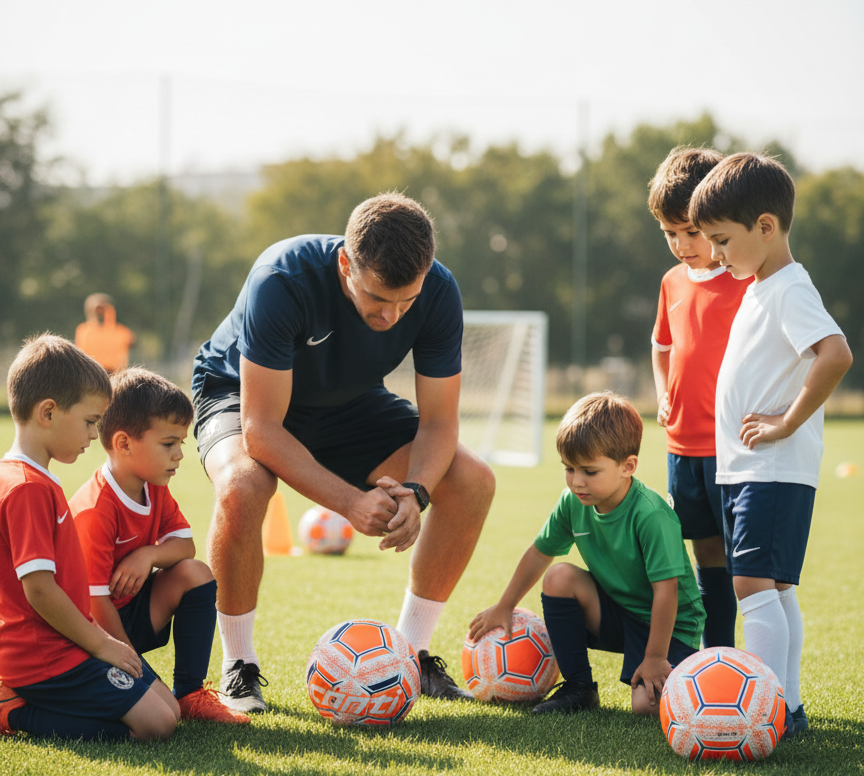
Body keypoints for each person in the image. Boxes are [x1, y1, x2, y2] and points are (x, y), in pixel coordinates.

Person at [192, 192, 495, 712]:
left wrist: (416, 493)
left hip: (346, 403)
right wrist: (351, 504)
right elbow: (262, 430)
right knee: (245, 485)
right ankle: (239, 666)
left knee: (470, 481)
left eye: (407, 301)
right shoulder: (281, 280)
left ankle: (412, 654)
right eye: (379, 298)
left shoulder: (439, 291)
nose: (394, 314)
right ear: (344, 264)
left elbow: (440, 421)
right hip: (239, 394)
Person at [690, 153, 853, 737]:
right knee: (775, 587)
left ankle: (761, 710)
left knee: (751, 587)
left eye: (722, 240)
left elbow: (835, 354)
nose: (715, 254)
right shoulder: (759, 285)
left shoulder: (788, 287)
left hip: (774, 467)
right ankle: (787, 707)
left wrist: (785, 421)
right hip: (748, 469)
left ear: (766, 225)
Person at [468, 392, 705, 715]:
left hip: (670, 624)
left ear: (628, 466)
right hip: (620, 612)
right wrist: (505, 605)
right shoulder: (572, 502)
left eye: (589, 472)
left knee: (645, 709)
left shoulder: (650, 514)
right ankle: (579, 687)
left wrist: (654, 659)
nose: (577, 482)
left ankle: (687, 667)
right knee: (559, 577)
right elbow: (540, 553)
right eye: (569, 469)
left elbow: (667, 590)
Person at [0, 335, 177, 742]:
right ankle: (14, 712)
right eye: (89, 421)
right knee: (158, 724)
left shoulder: (35, 478)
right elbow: (40, 591)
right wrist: (102, 644)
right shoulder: (27, 487)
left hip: (63, 644)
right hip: (45, 657)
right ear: (48, 412)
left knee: (169, 709)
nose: (94, 434)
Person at [69, 368, 250, 725]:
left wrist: (147, 554)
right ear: (123, 444)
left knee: (194, 574)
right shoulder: (95, 509)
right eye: (169, 443)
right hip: (85, 631)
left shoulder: (154, 489)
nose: (179, 454)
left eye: (181, 442)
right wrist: (133, 665)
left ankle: (190, 694)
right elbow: (93, 601)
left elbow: (186, 546)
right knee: (155, 712)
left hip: (128, 613)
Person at [648, 146, 750, 650]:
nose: (682, 245)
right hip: (681, 447)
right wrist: (662, 390)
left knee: (738, 555)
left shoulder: (746, 280)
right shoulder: (671, 282)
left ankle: (728, 654)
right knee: (703, 548)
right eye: (670, 233)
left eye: (692, 231)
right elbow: (661, 345)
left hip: (731, 448)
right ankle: (709, 652)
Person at [74, 293, 136, 374]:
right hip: (92, 373)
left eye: (102, 310)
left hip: (115, 374)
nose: (100, 313)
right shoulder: (83, 330)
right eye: (97, 310)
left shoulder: (122, 332)